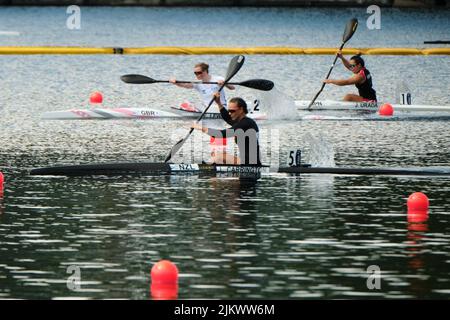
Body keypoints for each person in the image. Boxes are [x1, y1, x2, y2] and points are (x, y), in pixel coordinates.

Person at [191, 93, 261, 165]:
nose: (230, 113)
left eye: (232, 111)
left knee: (218, 157)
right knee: (217, 155)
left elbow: (220, 134)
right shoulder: (244, 122)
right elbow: (227, 118)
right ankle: (210, 167)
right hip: (247, 162)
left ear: (241, 109)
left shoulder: (245, 124)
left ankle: (206, 168)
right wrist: (219, 103)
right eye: (229, 111)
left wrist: (200, 127)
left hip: (250, 165)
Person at [170, 62, 235, 112]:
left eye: (199, 72)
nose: (197, 75)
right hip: (207, 107)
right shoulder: (198, 83)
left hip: (220, 107)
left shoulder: (218, 79)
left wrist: (225, 84)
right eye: (195, 73)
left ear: (205, 71)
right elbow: (184, 85)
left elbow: (232, 88)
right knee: (185, 103)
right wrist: (175, 82)